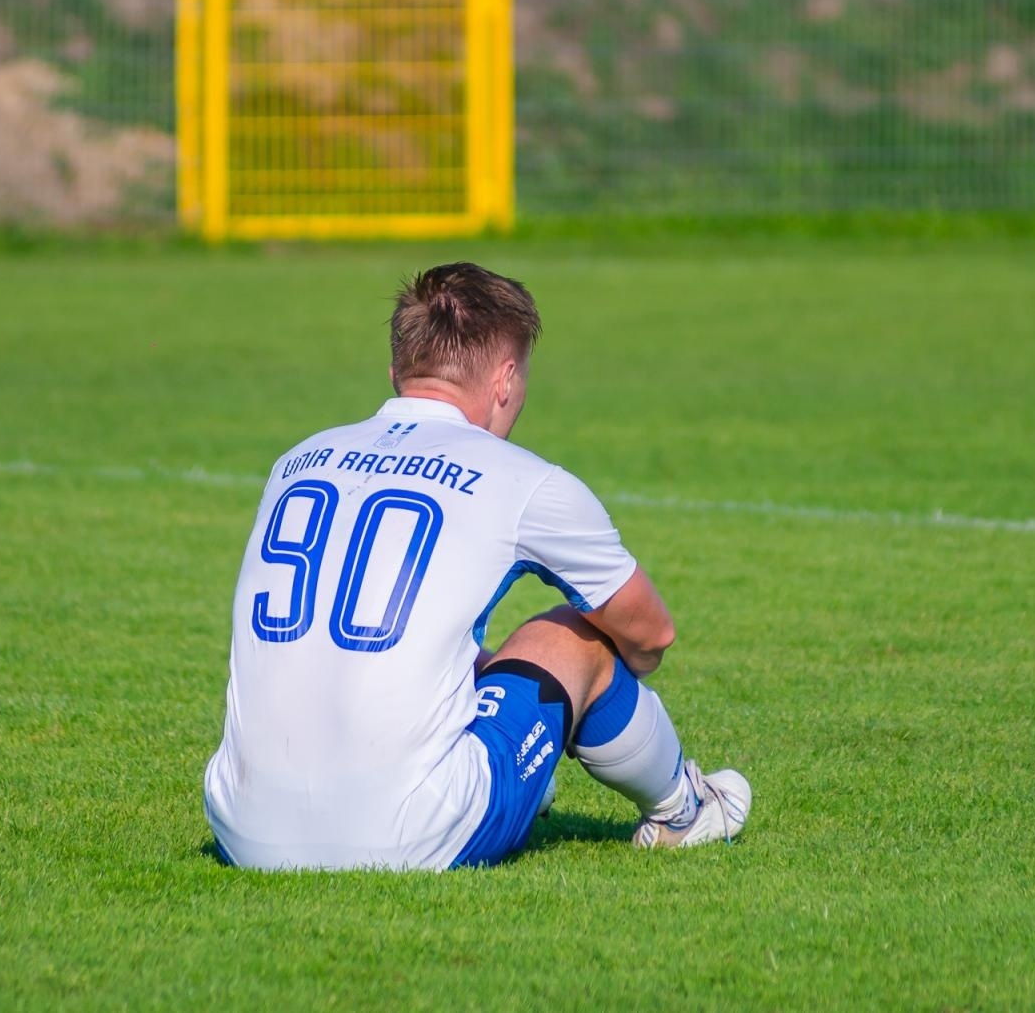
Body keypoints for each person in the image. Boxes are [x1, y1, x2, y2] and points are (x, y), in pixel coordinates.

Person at [203, 262, 750, 870]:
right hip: (405, 839)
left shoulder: (296, 460)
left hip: (241, 828)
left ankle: (524, 759)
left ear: (397, 374)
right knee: (581, 635)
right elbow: (651, 635)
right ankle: (685, 811)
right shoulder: (526, 481)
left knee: (456, 655)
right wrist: (599, 685)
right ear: (506, 379)